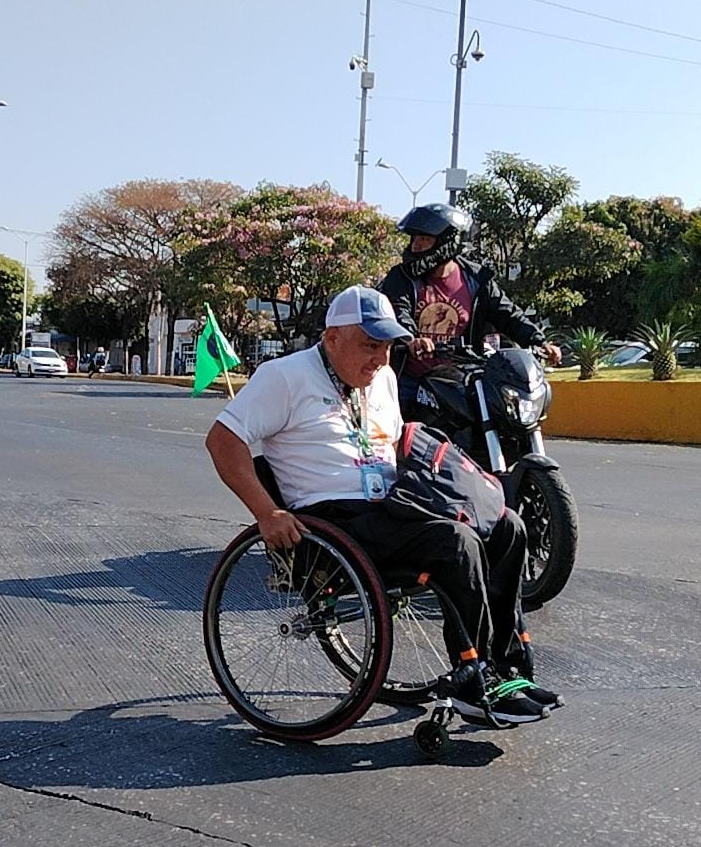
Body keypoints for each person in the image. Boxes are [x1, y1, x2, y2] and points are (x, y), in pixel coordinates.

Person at [204, 285, 562, 726]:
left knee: (506, 525)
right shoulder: (284, 376)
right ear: (332, 338)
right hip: (332, 521)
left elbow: (390, 446)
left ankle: (507, 667)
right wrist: (266, 513)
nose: (379, 358)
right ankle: (474, 679)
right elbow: (223, 441)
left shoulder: (385, 379)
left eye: (388, 347)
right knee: (456, 543)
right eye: (369, 345)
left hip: (393, 507)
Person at [376, 203, 562, 413]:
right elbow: (398, 310)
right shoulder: (401, 278)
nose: (415, 246)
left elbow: (507, 313)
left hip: (461, 378)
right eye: (414, 239)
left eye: (424, 239)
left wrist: (539, 341)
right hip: (410, 379)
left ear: (447, 241)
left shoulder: (476, 279)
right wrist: (411, 339)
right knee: (393, 432)